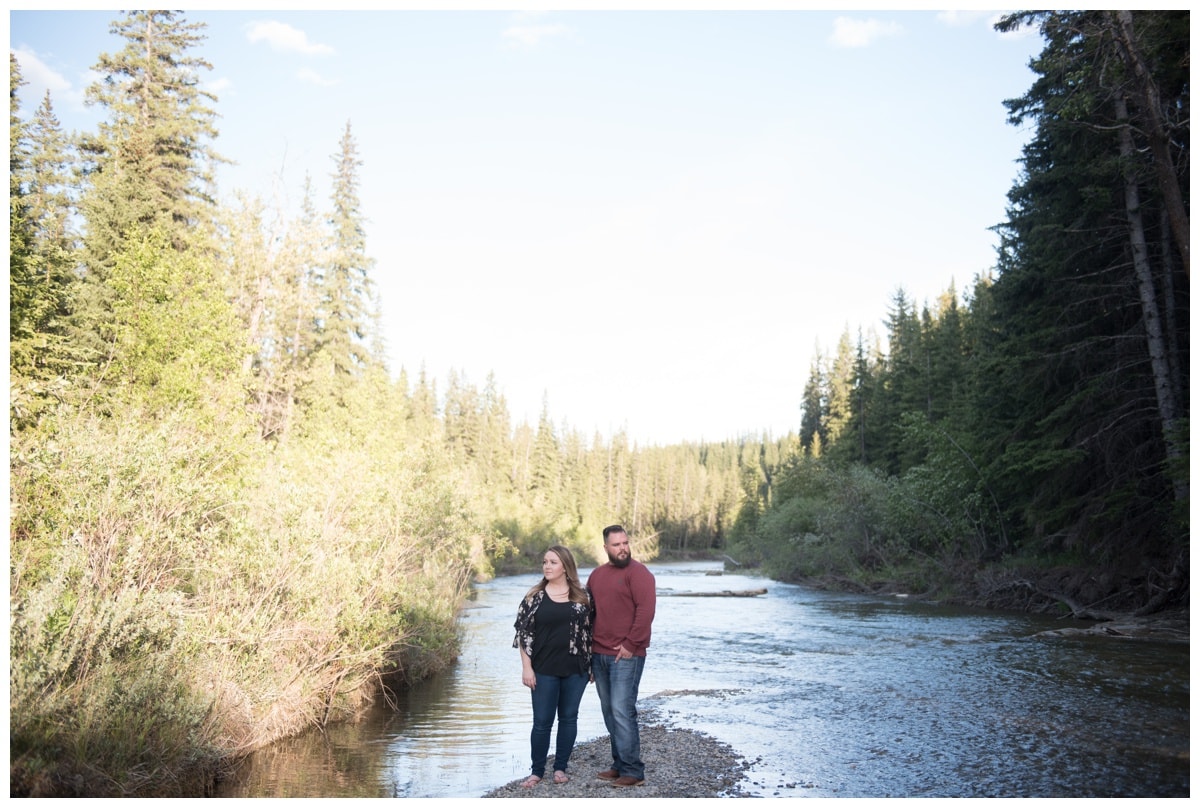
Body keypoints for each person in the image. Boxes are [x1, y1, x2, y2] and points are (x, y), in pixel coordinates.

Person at [512, 544, 593, 789]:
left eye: (553, 562)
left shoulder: (582, 597)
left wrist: (590, 666)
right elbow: (523, 635)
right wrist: (527, 668)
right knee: (542, 721)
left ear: (565, 567)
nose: (547, 566)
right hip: (543, 669)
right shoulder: (534, 597)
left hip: (576, 670)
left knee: (568, 718)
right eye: (545, 562)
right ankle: (537, 772)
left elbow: (590, 633)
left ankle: (560, 768)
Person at [587, 524, 656, 788]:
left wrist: (629, 644)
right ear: (606, 548)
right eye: (616, 545)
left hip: (627, 654)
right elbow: (590, 615)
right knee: (608, 711)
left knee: (621, 710)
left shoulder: (640, 574)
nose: (623, 548)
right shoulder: (596, 576)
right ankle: (619, 764)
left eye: (625, 543)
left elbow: (646, 612)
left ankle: (633, 770)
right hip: (599, 654)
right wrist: (589, 657)